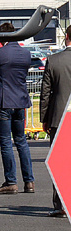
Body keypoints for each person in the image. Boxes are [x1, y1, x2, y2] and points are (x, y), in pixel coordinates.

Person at [0, 25, 34, 195]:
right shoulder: (25, 53)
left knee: (5, 142)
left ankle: (11, 181)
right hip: (20, 101)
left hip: (4, 101)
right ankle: (29, 181)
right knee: (21, 141)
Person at [40, 31, 71, 217]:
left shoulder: (53, 60)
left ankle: (60, 204)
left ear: (66, 37)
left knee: (60, 163)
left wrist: (45, 118)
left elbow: (46, 93)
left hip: (60, 116)